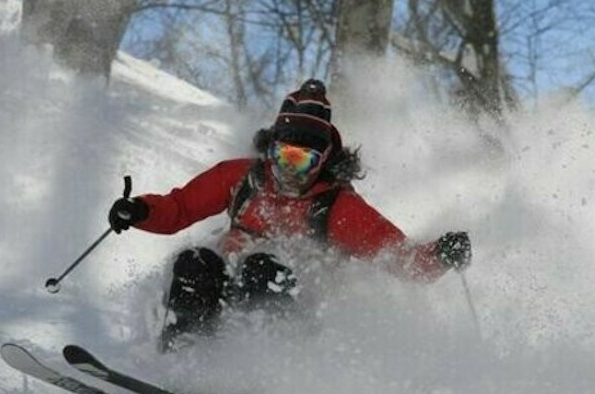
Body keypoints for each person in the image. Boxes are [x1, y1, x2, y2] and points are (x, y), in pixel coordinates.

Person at [108, 79, 472, 351]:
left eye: (304, 161)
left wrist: (440, 254)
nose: (290, 170)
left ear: (324, 161)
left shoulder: (336, 207)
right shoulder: (240, 177)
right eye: (284, 156)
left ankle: (259, 370)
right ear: (270, 149)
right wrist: (139, 210)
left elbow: (398, 258)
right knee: (195, 261)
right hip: (224, 285)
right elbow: (180, 209)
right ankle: (183, 355)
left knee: (263, 268)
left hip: (297, 306)